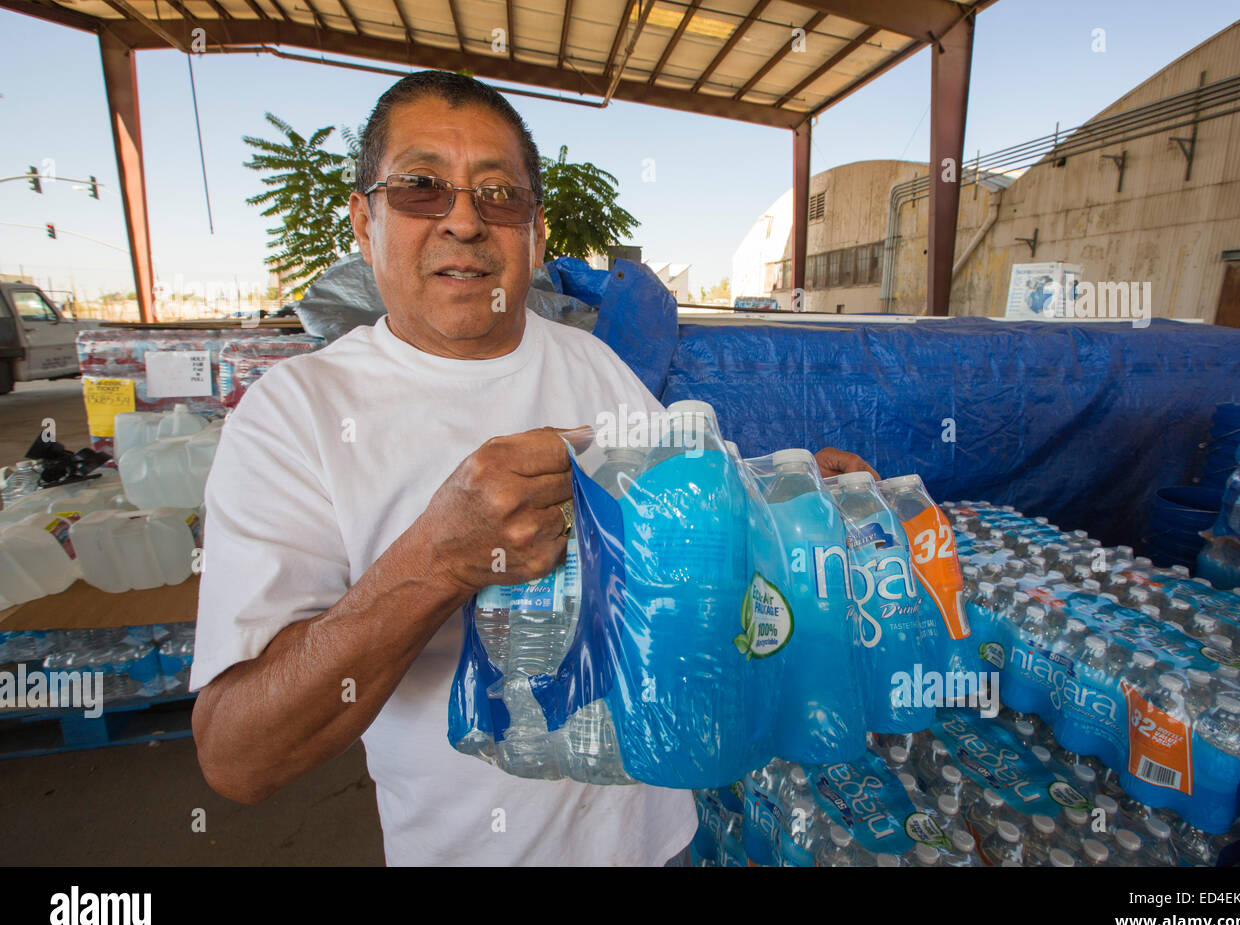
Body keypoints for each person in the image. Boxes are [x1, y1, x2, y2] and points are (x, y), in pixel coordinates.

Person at [190, 70, 874, 866]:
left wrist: (780, 501)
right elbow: (237, 757)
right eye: (420, 188)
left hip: (664, 844)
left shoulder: (596, 366)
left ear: (535, 234)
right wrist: (436, 561)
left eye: (499, 195)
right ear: (363, 220)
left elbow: (681, 537)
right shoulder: (295, 416)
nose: (464, 221)